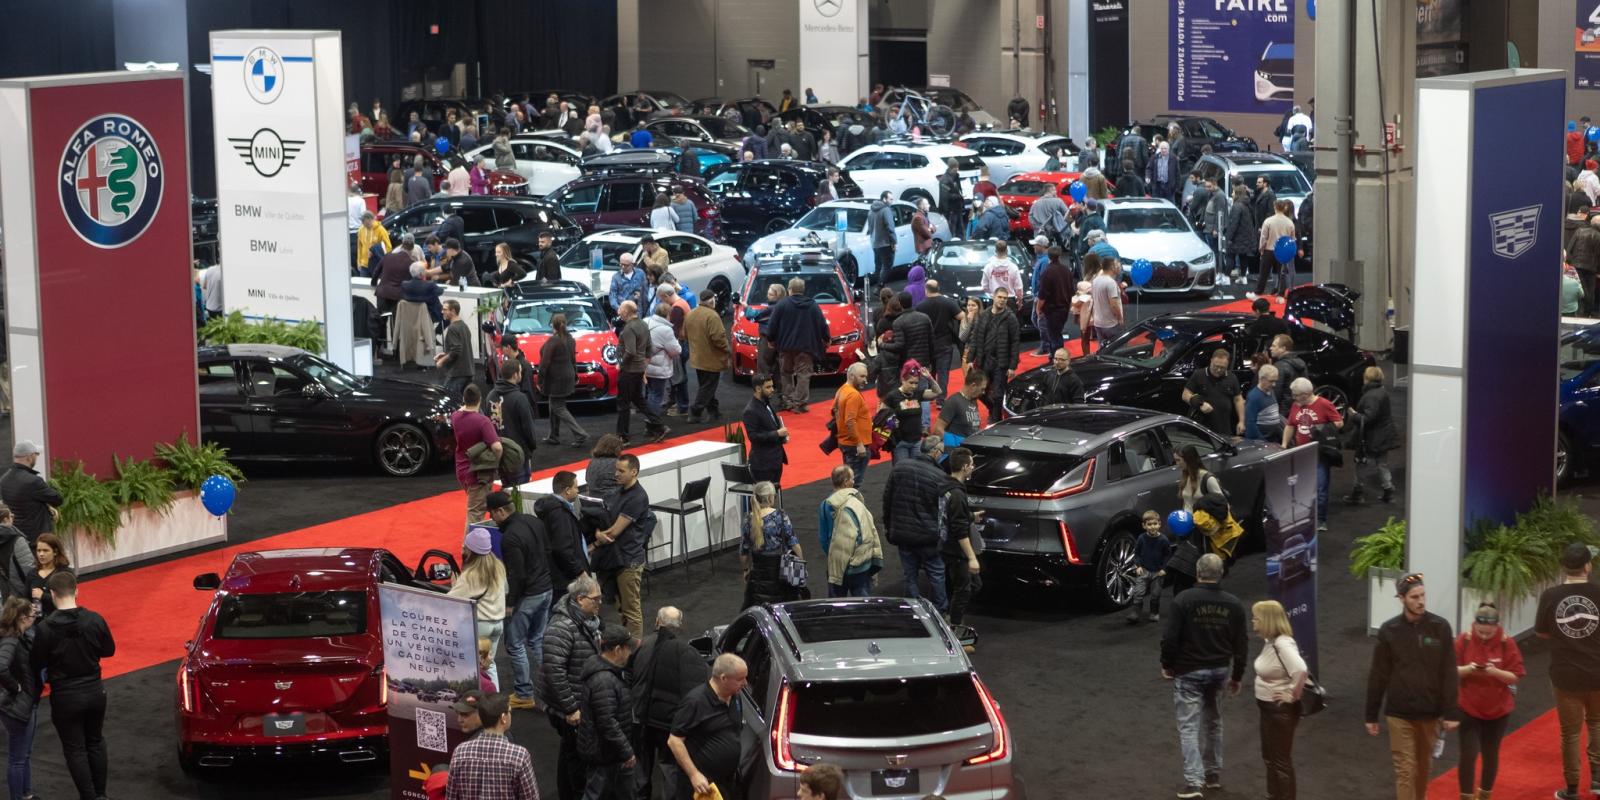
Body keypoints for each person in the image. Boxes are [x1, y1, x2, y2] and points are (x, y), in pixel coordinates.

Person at [1365, 572, 1460, 800]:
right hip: (1399, 714)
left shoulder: (1440, 627)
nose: (1421, 601)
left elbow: (1449, 672)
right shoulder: (1389, 631)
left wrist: (1451, 711)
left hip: (1430, 713)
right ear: (1401, 598)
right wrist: (1371, 715)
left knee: (1422, 770)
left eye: (1423, 595)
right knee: (1405, 771)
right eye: (1414, 597)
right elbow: (1378, 674)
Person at [1161, 554, 1248, 799]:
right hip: (1219, 670)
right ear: (1221, 574)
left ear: (1197, 572)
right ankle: (1212, 776)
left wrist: (1167, 665)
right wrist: (1237, 675)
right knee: (1214, 722)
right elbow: (1241, 644)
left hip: (1188, 670)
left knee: (1189, 726)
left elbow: (1170, 639)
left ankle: (1193, 782)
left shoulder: (1183, 600)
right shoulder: (1233, 604)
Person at [31, 572, 114, 800]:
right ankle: (101, 795)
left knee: (75, 748)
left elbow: (37, 662)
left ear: (52, 594)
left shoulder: (46, 628)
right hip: (95, 691)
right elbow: (109, 650)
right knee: (95, 741)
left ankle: (88, 797)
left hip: (66, 695)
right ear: (77, 590)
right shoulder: (95, 619)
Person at [1539, 543, 1600, 800]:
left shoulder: (1550, 596)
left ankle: (1572, 789)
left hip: (1565, 675)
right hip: (1597, 673)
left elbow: (1541, 632)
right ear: (1588, 566)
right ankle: (1597, 781)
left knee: (1570, 733)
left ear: (1563, 566)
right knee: (1597, 725)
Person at [628, 607, 708, 800]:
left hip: (640, 717)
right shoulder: (684, 651)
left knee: (641, 768)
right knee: (669, 769)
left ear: (657, 622)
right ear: (680, 626)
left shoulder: (641, 645)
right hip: (667, 722)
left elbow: (628, 675)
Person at [488, 491, 557, 711]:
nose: (492, 518)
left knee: (515, 644)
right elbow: (548, 551)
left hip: (528, 596)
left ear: (500, 511)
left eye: (492, 514)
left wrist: (509, 603)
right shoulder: (533, 521)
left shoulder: (510, 538)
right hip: (546, 589)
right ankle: (553, 686)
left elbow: (517, 575)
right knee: (537, 640)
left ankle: (524, 693)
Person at [543, 575, 604, 800]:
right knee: (576, 756)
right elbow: (553, 670)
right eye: (595, 599)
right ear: (580, 599)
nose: (600, 603)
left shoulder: (586, 620)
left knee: (570, 751)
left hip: (579, 700)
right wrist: (570, 708)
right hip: (569, 707)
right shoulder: (562, 626)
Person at [1455, 601, 1524, 800]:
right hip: (1468, 708)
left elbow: (1516, 675)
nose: (1484, 636)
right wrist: (1469, 669)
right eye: (1481, 632)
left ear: (1496, 627)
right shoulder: (1464, 640)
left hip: (1498, 711)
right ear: (1474, 625)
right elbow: (1449, 671)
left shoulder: (1506, 643)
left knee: (1490, 754)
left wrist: (1495, 672)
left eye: (1488, 633)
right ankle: (1466, 797)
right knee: (1468, 755)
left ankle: (1485, 795)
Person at [883, 436, 951, 613]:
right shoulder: (940, 476)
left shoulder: (900, 468)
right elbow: (943, 512)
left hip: (902, 534)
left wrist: (888, 526)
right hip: (928, 537)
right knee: (936, 574)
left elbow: (887, 500)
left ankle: (912, 612)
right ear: (936, 453)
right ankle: (940, 613)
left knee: (909, 575)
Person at [1251, 599, 1309, 800]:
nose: (1253, 622)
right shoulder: (1271, 641)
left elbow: (1301, 669)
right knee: (1270, 758)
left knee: (1280, 760)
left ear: (1267, 621)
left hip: (1279, 711)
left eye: (1256, 618)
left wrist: (1292, 693)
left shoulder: (1282, 643)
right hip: (1269, 709)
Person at [668, 653, 746, 800]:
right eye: (740, 679)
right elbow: (674, 741)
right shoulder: (695, 702)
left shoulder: (736, 697)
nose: (745, 683)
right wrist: (694, 774)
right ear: (723, 678)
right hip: (702, 786)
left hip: (727, 783)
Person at [576, 624, 637, 800]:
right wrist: (626, 751)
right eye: (628, 648)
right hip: (602, 753)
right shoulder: (604, 680)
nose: (630, 653)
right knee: (596, 794)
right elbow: (608, 723)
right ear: (618, 650)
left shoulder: (609, 672)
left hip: (606, 751)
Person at [592, 454, 650, 639]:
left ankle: (635, 652)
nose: (616, 474)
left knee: (631, 610)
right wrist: (597, 532)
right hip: (616, 558)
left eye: (621, 471)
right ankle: (627, 646)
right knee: (621, 608)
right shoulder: (617, 492)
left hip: (629, 561)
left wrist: (595, 541)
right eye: (616, 470)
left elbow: (615, 531)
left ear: (634, 472)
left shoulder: (638, 497)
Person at [445, 693, 539, 800]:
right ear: (503, 718)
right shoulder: (519, 756)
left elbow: (451, 796)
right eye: (509, 712)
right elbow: (531, 797)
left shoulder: (460, 752)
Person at [450, 528, 508, 692]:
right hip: (498, 624)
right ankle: (493, 701)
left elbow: (451, 600)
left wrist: (455, 585)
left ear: (471, 550)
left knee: (472, 666)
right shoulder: (498, 566)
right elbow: (505, 591)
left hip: (480, 626)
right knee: (489, 664)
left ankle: (473, 702)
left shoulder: (471, 576)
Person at [1283, 377, 1342, 530]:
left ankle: (1321, 519)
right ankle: (1304, 516)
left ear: (1307, 393)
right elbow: (1290, 425)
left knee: (1321, 487)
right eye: (1293, 395)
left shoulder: (1324, 404)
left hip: (1320, 454)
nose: (1294, 398)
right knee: (1301, 487)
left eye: (1296, 395)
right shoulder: (1296, 405)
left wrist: (1321, 429)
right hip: (1302, 453)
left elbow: (1339, 422)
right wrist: (1284, 445)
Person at [768, 277, 829, 413]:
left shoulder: (782, 304)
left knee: (786, 373)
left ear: (789, 290)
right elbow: (822, 324)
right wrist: (826, 338)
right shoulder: (812, 305)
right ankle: (800, 403)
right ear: (803, 290)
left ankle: (789, 401)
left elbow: (772, 325)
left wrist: (771, 339)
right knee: (803, 375)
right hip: (805, 348)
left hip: (785, 347)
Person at [819, 465, 882, 598]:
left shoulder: (825, 504)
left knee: (836, 604)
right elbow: (868, 532)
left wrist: (833, 555)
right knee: (862, 602)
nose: (854, 481)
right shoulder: (856, 503)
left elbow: (823, 538)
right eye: (852, 478)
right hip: (858, 566)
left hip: (835, 564)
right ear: (846, 481)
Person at [1342, 366, 1399, 505]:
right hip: (1383, 435)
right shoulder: (1381, 392)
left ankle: (1358, 493)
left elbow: (1368, 418)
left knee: (1361, 464)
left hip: (1371, 437)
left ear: (1366, 378)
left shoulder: (1371, 395)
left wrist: (1354, 415)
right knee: (1382, 463)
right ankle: (1388, 491)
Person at [739, 481, 802, 608]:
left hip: (758, 577)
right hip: (780, 575)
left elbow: (744, 552)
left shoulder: (748, 519)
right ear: (769, 497)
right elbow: (794, 544)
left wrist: (746, 570)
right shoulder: (780, 516)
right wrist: (800, 563)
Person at [616, 301, 669, 444]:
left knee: (623, 404)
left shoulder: (629, 328)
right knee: (639, 401)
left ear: (626, 312)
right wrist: (643, 366)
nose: (618, 311)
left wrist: (621, 365)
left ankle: (623, 436)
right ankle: (659, 426)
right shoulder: (643, 325)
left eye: (620, 309)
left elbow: (630, 351)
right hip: (638, 369)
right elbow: (649, 349)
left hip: (628, 371)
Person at [965, 288, 1020, 425]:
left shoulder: (1011, 318)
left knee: (998, 394)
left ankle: (996, 419)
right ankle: (993, 410)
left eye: (1005, 298)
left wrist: (1013, 366)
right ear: (993, 297)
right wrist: (970, 359)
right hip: (983, 360)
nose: (1002, 300)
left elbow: (1015, 343)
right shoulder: (983, 315)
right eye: (1000, 297)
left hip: (1001, 362)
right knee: (978, 390)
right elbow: (976, 338)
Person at [450, 384, 502, 528]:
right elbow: (497, 447)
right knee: (475, 513)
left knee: (480, 506)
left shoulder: (455, 417)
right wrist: (496, 460)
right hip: (478, 473)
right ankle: (468, 549)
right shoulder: (482, 421)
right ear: (480, 399)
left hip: (462, 469)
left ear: (464, 399)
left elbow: (461, 410)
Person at [0, 597, 36, 800]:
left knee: (23, 754)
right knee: (17, 759)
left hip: (18, 704)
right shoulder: (11, 640)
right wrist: (16, 687)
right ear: (23, 618)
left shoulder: (15, 635)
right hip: (15, 707)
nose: (34, 618)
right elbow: (1, 666)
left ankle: (26, 793)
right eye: (32, 615)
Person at [941, 448, 981, 627]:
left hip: (946, 546)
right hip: (956, 551)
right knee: (964, 590)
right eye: (972, 465)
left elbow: (950, 516)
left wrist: (971, 516)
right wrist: (971, 557)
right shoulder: (957, 495)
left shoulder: (946, 487)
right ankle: (955, 629)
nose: (973, 468)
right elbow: (958, 530)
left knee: (970, 586)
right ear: (965, 467)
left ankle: (952, 620)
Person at [541, 314, 591, 447]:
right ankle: (553, 436)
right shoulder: (570, 339)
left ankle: (580, 433)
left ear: (553, 325)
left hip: (556, 379)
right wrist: (575, 375)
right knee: (554, 405)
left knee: (558, 407)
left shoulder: (553, 340)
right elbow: (573, 360)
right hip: (567, 375)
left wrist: (540, 380)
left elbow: (544, 363)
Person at [489, 359, 537, 486]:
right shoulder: (520, 398)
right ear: (515, 374)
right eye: (520, 372)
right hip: (518, 453)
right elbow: (528, 428)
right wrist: (531, 447)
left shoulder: (490, 396)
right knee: (522, 492)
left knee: (507, 491)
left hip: (500, 453)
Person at [881, 362, 941, 463]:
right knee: (902, 470)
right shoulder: (892, 396)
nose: (914, 386)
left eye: (916, 383)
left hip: (917, 442)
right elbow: (881, 417)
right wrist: (891, 423)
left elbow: (937, 392)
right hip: (900, 443)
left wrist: (929, 377)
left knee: (916, 470)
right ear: (903, 380)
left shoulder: (917, 394)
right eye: (911, 382)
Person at [0, 443, 59, 542]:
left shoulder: (3, 480)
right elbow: (57, 499)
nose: (36, 457)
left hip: (15, 537)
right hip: (37, 539)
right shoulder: (34, 481)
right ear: (30, 457)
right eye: (36, 454)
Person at [917, 280, 963, 400]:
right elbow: (961, 316)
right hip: (944, 343)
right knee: (943, 372)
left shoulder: (920, 306)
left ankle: (929, 396)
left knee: (928, 372)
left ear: (926, 290)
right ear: (938, 288)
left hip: (927, 344)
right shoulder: (948, 302)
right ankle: (941, 400)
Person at [1183, 349, 1244, 437]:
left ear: (1227, 365)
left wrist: (1241, 421)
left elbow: (1238, 400)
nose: (1218, 370)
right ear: (1211, 361)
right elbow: (1185, 395)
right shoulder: (1199, 374)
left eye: (1223, 368)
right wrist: (1200, 404)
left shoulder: (1232, 378)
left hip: (1223, 429)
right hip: (1201, 428)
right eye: (1216, 366)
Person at [743, 375, 789, 486]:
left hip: (775, 460)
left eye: (772, 386)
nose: (772, 390)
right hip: (763, 464)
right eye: (768, 387)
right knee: (763, 499)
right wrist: (777, 433)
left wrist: (782, 437)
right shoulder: (750, 411)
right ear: (758, 389)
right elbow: (753, 437)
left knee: (771, 497)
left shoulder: (766, 404)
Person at [833, 363, 874, 486]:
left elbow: (834, 411)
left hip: (846, 442)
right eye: (861, 376)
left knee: (847, 480)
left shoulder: (841, 390)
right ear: (851, 376)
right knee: (852, 483)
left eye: (865, 377)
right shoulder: (853, 395)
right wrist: (859, 443)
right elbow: (850, 421)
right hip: (855, 445)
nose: (865, 380)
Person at [1255, 199, 1298, 298]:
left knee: (1263, 273)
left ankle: (1258, 292)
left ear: (1275, 207)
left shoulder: (1268, 221)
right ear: (1284, 208)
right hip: (1283, 251)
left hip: (1269, 250)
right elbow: (1292, 239)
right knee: (1282, 274)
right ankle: (1281, 294)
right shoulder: (1290, 222)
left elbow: (1263, 237)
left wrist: (1261, 249)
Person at [933, 367, 986, 443]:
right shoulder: (954, 401)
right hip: (958, 451)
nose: (983, 392)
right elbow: (938, 429)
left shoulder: (973, 401)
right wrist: (954, 446)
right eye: (982, 389)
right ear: (973, 386)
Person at [644, 303, 680, 416]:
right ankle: (652, 423)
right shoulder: (666, 330)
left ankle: (650, 419)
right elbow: (676, 350)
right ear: (668, 315)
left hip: (645, 366)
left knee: (651, 393)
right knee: (656, 395)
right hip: (658, 369)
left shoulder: (645, 321)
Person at [435, 300, 475, 397]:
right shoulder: (464, 326)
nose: (442, 312)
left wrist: (442, 361)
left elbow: (456, 350)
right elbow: (461, 349)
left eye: (445, 309)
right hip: (468, 371)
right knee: (466, 402)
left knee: (448, 399)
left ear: (452, 311)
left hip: (457, 373)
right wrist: (445, 354)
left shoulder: (452, 328)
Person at [1089, 247, 1125, 341]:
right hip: (1110, 324)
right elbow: (1113, 304)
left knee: (1102, 349)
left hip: (1098, 323)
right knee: (1116, 350)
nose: (1120, 267)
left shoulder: (1095, 280)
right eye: (1118, 264)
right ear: (1112, 267)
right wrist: (1120, 318)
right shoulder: (1110, 283)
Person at [1224, 185, 1259, 281]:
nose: (1232, 194)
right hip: (1246, 235)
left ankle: (1226, 277)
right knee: (1243, 256)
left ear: (1237, 194)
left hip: (1237, 236)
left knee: (1230, 255)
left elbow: (1233, 223)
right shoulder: (1247, 204)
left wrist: (1229, 237)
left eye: (1233, 192)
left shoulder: (1236, 206)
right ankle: (1243, 277)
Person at [28, 534, 67, 618]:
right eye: (39, 551)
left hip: (59, 620)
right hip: (37, 622)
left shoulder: (65, 573)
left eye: (45, 550)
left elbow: (66, 600)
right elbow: (26, 596)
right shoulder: (32, 573)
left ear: (55, 552)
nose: (41, 554)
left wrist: (43, 596)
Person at [1244, 364, 1284, 443]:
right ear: (1262, 379)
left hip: (1274, 440)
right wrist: (1263, 442)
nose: (1274, 384)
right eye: (1271, 381)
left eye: (1275, 381)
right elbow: (1250, 424)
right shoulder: (1253, 397)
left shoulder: (1271, 391)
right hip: (1262, 442)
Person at [1268, 334, 1305, 416]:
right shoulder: (1302, 363)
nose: (1270, 348)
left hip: (1283, 414)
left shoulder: (1279, 366)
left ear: (1283, 349)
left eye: (1274, 346)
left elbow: (1276, 393)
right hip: (1300, 411)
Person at [867, 191, 897, 283]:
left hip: (875, 243)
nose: (892, 201)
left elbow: (870, 227)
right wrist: (894, 242)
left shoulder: (871, 210)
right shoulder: (886, 210)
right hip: (886, 243)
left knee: (878, 266)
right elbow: (890, 227)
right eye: (890, 199)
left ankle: (878, 286)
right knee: (887, 266)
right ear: (884, 199)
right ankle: (880, 287)